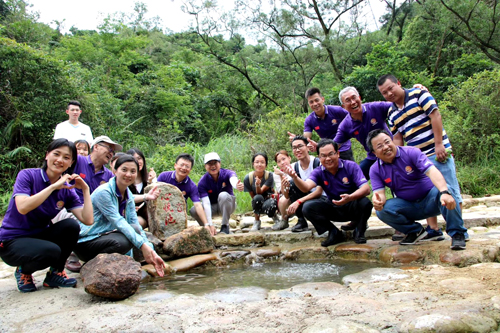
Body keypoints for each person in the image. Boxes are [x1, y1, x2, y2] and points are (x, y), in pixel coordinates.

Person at [377, 74, 466, 242]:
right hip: (416, 158)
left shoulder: (419, 95)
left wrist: (439, 144)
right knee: (425, 192)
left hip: (436, 151)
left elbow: (435, 116)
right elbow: (397, 138)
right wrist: (400, 158)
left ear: (399, 83)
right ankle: (433, 229)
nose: (389, 94)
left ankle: (460, 231)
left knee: (450, 190)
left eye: (391, 88)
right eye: (384, 92)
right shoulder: (391, 112)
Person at [0, 139, 94, 292]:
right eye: (56, 154)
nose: (59, 160)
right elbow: (23, 207)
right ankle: (23, 271)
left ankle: (55, 274)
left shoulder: (66, 190)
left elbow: (88, 220)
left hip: (39, 236)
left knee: (71, 226)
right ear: (47, 155)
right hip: (12, 241)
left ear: (71, 163)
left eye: (66, 157)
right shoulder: (28, 176)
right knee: (51, 251)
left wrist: (85, 190)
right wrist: (53, 187)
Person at [367, 129, 468, 250]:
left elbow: (432, 171)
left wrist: (444, 192)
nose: (386, 147)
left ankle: (457, 234)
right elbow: (379, 193)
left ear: (392, 141)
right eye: (380, 146)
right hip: (410, 207)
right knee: (382, 210)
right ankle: (415, 231)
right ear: (374, 153)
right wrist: (377, 201)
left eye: (387, 142)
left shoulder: (411, 152)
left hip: (431, 200)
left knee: (448, 190)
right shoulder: (375, 169)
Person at [74, 155, 165, 275]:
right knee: (124, 242)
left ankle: (124, 265)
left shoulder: (128, 195)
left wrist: (152, 252)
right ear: (115, 171)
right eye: (124, 170)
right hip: (86, 242)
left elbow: (135, 225)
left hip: (103, 237)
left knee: (134, 229)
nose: (128, 174)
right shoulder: (104, 192)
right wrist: (143, 246)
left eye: (133, 171)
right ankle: (93, 264)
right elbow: (119, 222)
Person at [283, 139, 372, 246]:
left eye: (331, 154)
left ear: (338, 153)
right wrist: (294, 177)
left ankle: (359, 230)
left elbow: (366, 189)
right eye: (323, 156)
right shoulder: (319, 171)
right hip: (333, 206)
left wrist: (350, 197)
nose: (328, 158)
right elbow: (306, 187)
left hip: (351, 205)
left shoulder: (350, 166)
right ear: (319, 158)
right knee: (308, 207)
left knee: (365, 203)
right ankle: (334, 232)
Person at [334, 87, 393, 179]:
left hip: (390, 150)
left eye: (354, 97)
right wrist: (319, 147)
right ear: (343, 106)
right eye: (348, 100)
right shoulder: (346, 125)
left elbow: (397, 104)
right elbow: (335, 144)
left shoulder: (375, 107)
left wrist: (414, 91)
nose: (353, 102)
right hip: (373, 157)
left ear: (360, 98)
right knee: (355, 179)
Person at [287, 87, 353, 160]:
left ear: (322, 99)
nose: (315, 104)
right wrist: (296, 139)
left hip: (343, 149)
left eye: (316, 100)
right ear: (308, 104)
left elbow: (352, 118)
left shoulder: (337, 111)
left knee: (350, 170)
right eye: (311, 102)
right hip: (326, 153)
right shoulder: (309, 120)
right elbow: (306, 138)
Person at [157, 154, 215, 236]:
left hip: (178, 210)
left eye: (187, 166)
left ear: (190, 169)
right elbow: (154, 192)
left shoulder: (191, 186)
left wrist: (206, 224)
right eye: (181, 165)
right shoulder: (164, 176)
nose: (184, 168)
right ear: (175, 165)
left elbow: (197, 205)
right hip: (162, 208)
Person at [191, 152, 244, 234]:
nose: (213, 166)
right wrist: (209, 224)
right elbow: (206, 203)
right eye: (209, 163)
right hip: (212, 208)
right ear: (205, 166)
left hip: (228, 205)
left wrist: (237, 186)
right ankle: (207, 229)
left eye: (215, 163)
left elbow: (233, 180)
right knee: (194, 210)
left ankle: (225, 225)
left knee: (223, 195)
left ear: (220, 163)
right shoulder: (202, 182)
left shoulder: (227, 173)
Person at [73, 135, 122, 202]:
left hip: (93, 211)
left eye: (113, 152)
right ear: (96, 147)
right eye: (109, 149)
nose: (111, 154)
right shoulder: (78, 160)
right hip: (70, 209)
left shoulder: (109, 176)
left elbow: (122, 194)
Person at [243, 153, 278, 231]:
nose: (259, 164)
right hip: (258, 200)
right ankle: (257, 221)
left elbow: (260, 191)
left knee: (270, 203)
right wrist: (257, 204)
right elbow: (253, 196)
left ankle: (275, 218)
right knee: (257, 198)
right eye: (257, 162)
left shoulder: (269, 175)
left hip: (269, 199)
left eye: (262, 162)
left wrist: (258, 185)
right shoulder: (248, 178)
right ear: (253, 164)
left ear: (266, 165)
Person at [126, 148, 157, 229]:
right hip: (128, 212)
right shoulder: (126, 178)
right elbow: (125, 197)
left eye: (139, 158)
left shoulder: (150, 177)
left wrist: (150, 182)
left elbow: (154, 197)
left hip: (145, 214)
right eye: (134, 159)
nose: (138, 161)